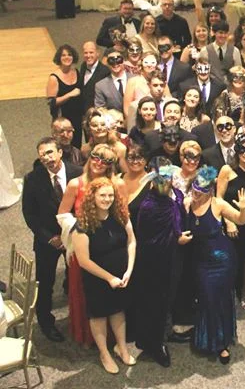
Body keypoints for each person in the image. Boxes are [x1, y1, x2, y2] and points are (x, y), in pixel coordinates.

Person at [70, 177, 137, 374]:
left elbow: (132, 242)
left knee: (118, 311)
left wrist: (129, 270)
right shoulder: (82, 225)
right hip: (97, 279)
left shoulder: (120, 216)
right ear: (92, 197)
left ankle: (121, 347)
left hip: (121, 276)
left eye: (110, 195)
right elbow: (84, 261)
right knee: (98, 315)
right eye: (102, 195)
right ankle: (104, 353)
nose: (107, 199)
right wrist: (109, 278)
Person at [22, 137, 82, 342]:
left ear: (60, 152)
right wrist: (49, 238)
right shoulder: (32, 179)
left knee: (78, 278)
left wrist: (75, 233)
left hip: (75, 236)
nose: (47, 158)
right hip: (48, 240)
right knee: (45, 282)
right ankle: (46, 323)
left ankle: (79, 319)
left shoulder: (77, 172)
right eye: (42, 155)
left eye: (49, 152)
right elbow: (30, 214)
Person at [187, 166, 245, 364]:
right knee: (206, 298)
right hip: (200, 261)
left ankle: (221, 343)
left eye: (202, 190)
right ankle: (206, 337)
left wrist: (244, 207)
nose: (197, 193)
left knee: (220, 299)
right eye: (195, 188)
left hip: (222, 260)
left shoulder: (218, 204)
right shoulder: (187, 203)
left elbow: (241, 220)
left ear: (210, 190)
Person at [129, 160, 186, 367]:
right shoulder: (149, 206)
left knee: (171, 297)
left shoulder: (177, 194)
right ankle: (155, 344)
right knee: (156, 303)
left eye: (167, 178)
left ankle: (167, 332)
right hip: (155, 264)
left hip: (174, 258)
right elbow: (149, 240)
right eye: (159, 178)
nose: (163, 182)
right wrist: (177, 238)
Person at [216, 134, 245, 310]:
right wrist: (229, 221)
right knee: (230, 258)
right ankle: (229, 292)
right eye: (242, 149)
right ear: (236, 151)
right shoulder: (226, 170)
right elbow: (219, 198)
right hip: (231, 222)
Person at [47, 44, 85, 147]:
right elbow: (51, 102)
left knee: (76, 145)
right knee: (63, 146)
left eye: (69, 55)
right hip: (62, 118)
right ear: (59, 58)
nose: (67, 57)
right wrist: (69, 95)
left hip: (77, 117)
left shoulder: (76, 72)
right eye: (63, 55)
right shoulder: (54, 77)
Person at [80, 41, 111, 112]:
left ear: (98, 53)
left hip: (97, 112)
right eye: (85, 53)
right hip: (83, 111)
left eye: (91, 52)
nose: (88, 55)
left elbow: (107, 96)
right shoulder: (83, 66)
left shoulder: (105, 71)